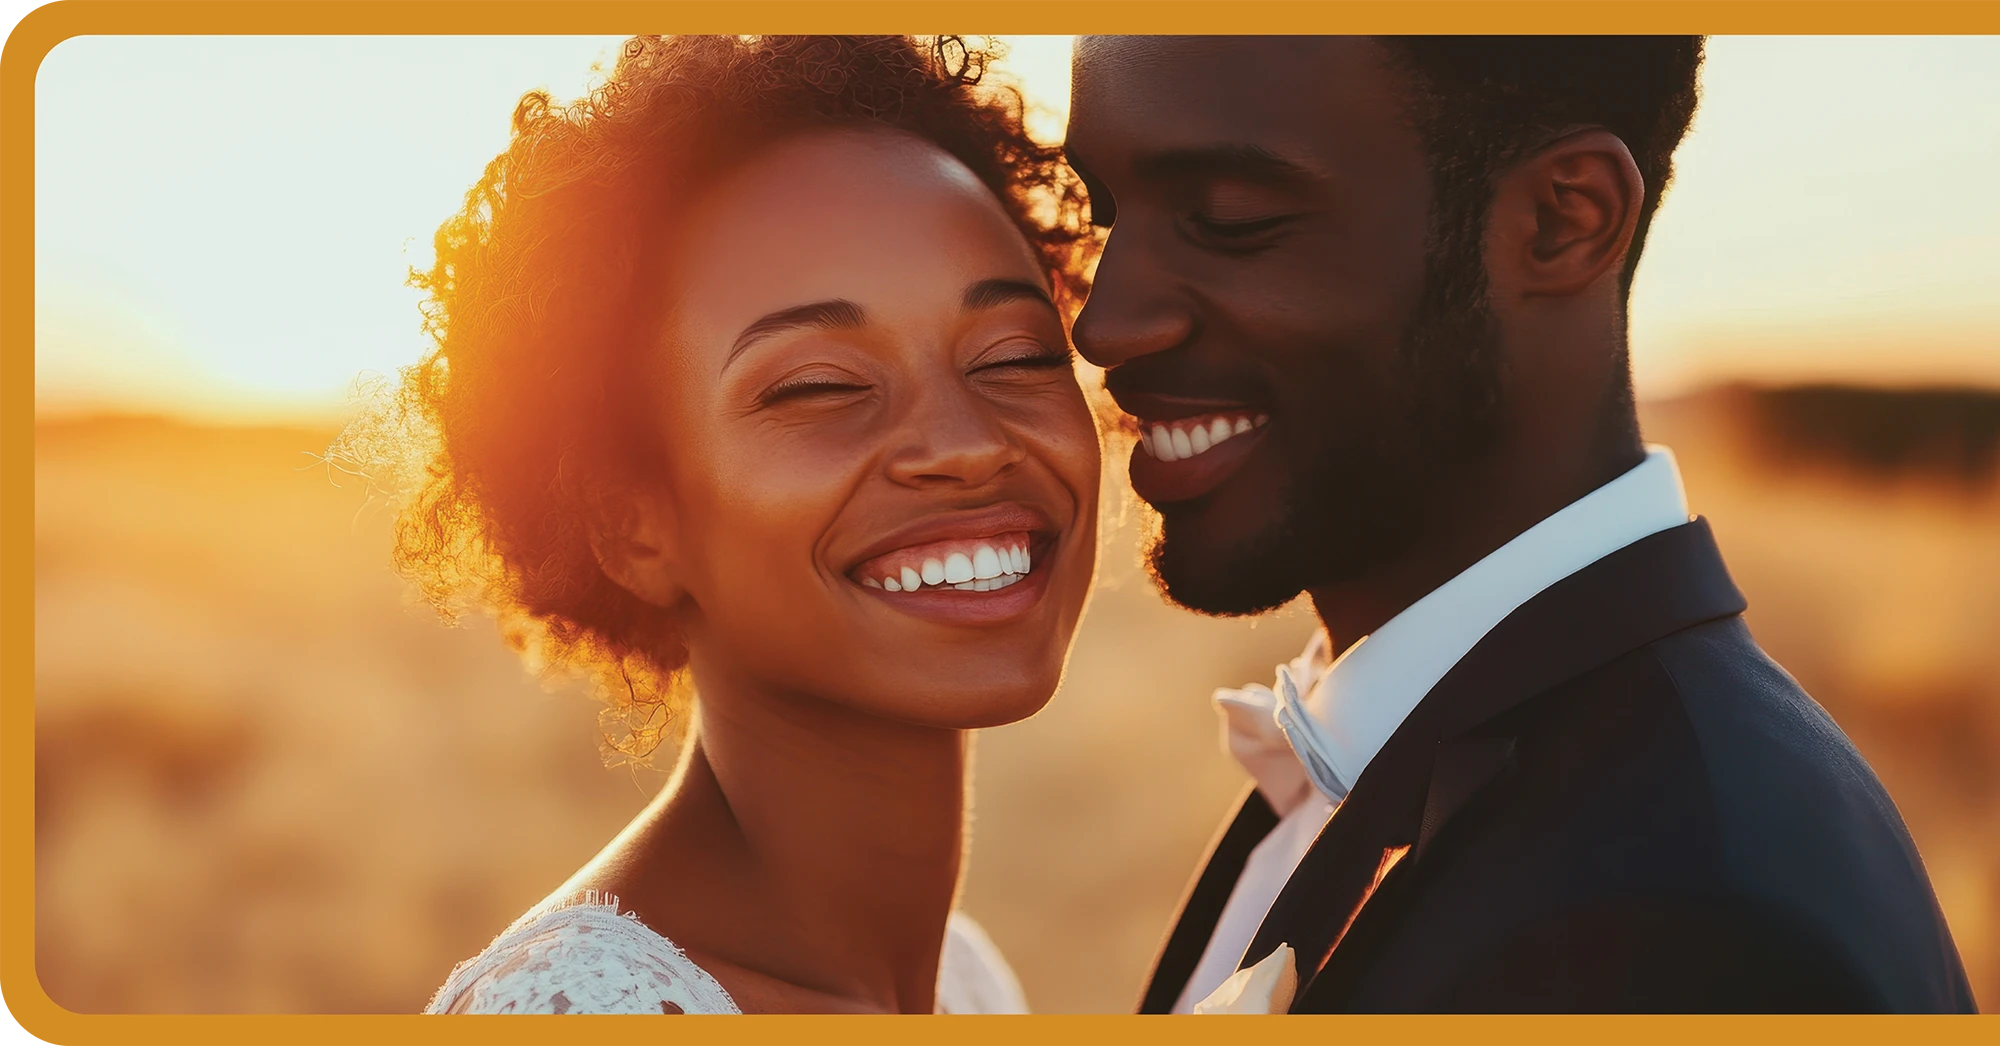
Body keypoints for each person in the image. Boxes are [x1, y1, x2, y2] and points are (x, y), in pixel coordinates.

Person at [1063, 35, 1977, 1013]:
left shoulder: (1679, 921)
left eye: (1226, 218)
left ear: (1562, 219)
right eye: (1100, 214)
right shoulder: (1385, 755)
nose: (1101, 324)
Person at [348, 35, 1102, 1014]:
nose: (963, 443)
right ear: (630, 525)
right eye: (820, 384)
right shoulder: (585, 1010)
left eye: (1013, 355)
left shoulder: (964, 978)